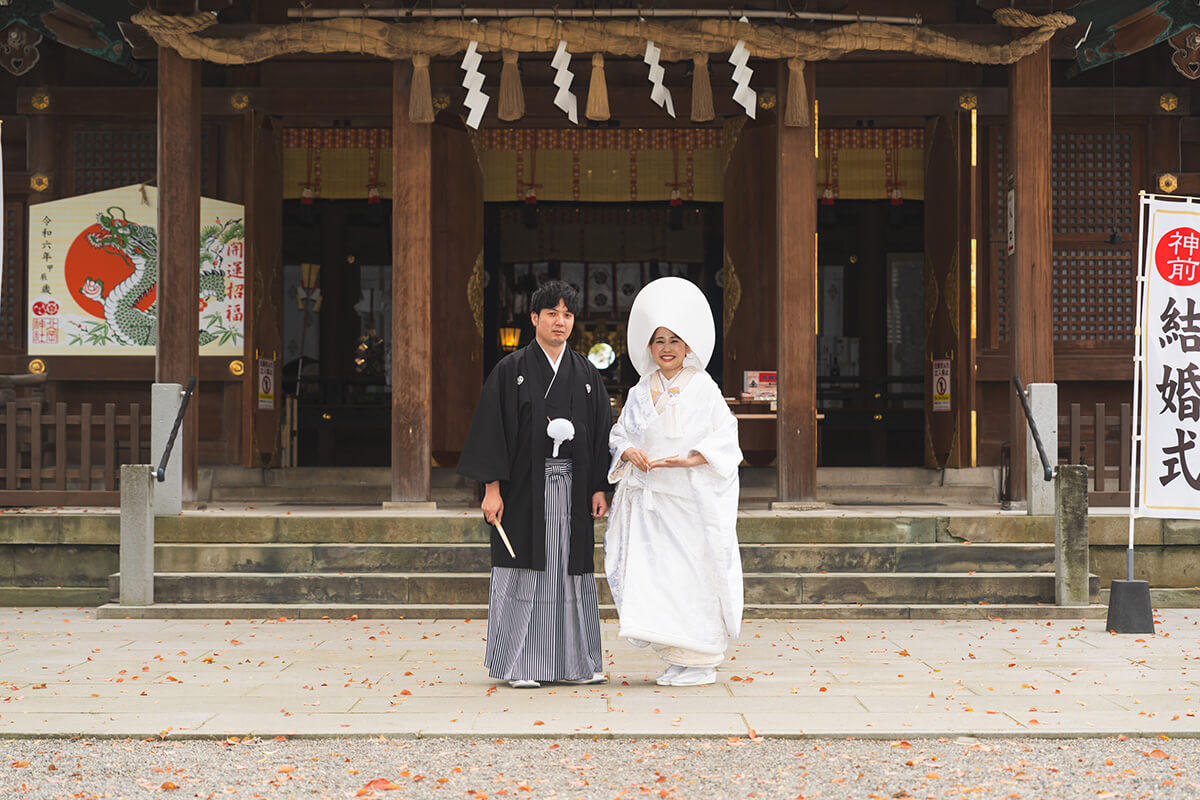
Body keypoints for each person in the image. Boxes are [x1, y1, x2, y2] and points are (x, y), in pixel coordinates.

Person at [458, 279, 613, 689]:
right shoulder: (511, 371)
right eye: (551, 314)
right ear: (534, 318)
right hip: (525, 491)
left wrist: (599, 487)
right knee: (524, 569)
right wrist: (492, 489)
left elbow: (601, 433)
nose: (560, 322)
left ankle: (575, 664)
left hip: (573, 489)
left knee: (570, 571)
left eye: (567, 315)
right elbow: (492, 431)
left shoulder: (586, 373)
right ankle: (520, 665)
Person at [605, 277, 743, 687]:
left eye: (675, 340)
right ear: (649, 347)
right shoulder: (639, 390)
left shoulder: (703, 386)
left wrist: (691, 458)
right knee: (658, 579)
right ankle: (677, 656)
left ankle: (701, 659)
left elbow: (726, 437)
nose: (666, 348)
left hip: (688, 499)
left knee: (690, 575)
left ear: (687, 346)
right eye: (659, 340)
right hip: (650, 504)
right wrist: (627, 451)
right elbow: (619, 433)